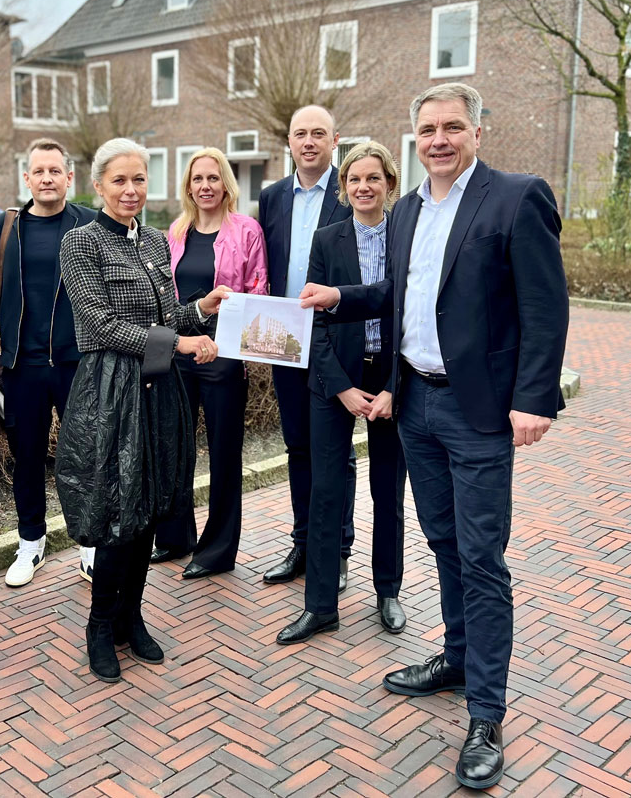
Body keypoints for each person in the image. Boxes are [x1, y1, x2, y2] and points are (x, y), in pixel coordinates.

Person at [303, 83, 569, 790]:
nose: (440, 138)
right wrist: (340, 297)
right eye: (428, 128)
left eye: (453, 125)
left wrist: (534, 398)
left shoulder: (516, 198)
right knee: (443, 540)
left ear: (479, 130)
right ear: (413, 137)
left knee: (482, 558)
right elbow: (400, 296)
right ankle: (455, 657)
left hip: (480, 411)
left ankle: (486, 712)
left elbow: (546, 306)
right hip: (416, 402)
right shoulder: (411, 209)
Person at [55, 138, 230, 683]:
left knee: (152, 505)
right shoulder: (80, 243)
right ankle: (99, 626)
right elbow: (101, 326)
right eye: (120, 182)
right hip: (110, 395)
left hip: (159, 393)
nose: (131, 191)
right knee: (117, 509)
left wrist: (202, 309)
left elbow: (167, 314)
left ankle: (132, 617)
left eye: (139, 181)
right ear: (99, 185)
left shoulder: (156, 241)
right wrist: (176, 343)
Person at [278, 141, 407, 646]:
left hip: (393, 377)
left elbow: (410, 313)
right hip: (334, 379)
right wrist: (344, 389)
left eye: (373, 178)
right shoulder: (326, 239)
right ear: (343, 186)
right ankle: (320, 605)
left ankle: (388, 590)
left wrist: (393, 387)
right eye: (354, 180)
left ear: (389, 184)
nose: (363, 187)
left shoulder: (406, 234)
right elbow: (315, 317)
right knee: (326, 489)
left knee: (387, 490)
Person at [0, 139, 97, 587]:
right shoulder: (6, 228)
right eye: (38, 171)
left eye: (55, 171)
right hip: (22, 368)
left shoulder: (89, 224)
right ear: (26, 179)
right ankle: (31, 541)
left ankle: (88, 543)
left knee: (83, 458)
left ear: (70, 178)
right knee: (26, 457)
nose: (46, 178)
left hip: (78, 365)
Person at [151, 147, 267, 578]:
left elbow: (258, 291)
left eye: (213, 178)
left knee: (223, 456)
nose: (205, 186)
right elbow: (165, 300)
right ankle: (176, 537)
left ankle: (216, 552)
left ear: (226, 185)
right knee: (174, 449)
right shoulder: (174, 233)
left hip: (224, 357)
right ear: (188, 186)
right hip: (180, 354)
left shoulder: (247, 231)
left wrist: (227, 343)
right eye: (197, 179)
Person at [257, 105, 355, 589]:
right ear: (290, 142)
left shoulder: (351, 191)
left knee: (336, 451)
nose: (309, 141)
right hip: (285, 339)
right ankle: (302, 543)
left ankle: (336, 551)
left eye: (319, 133)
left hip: (335, 340)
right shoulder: (271, 196)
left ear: (335, 140)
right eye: (301, 134)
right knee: (298, 446)